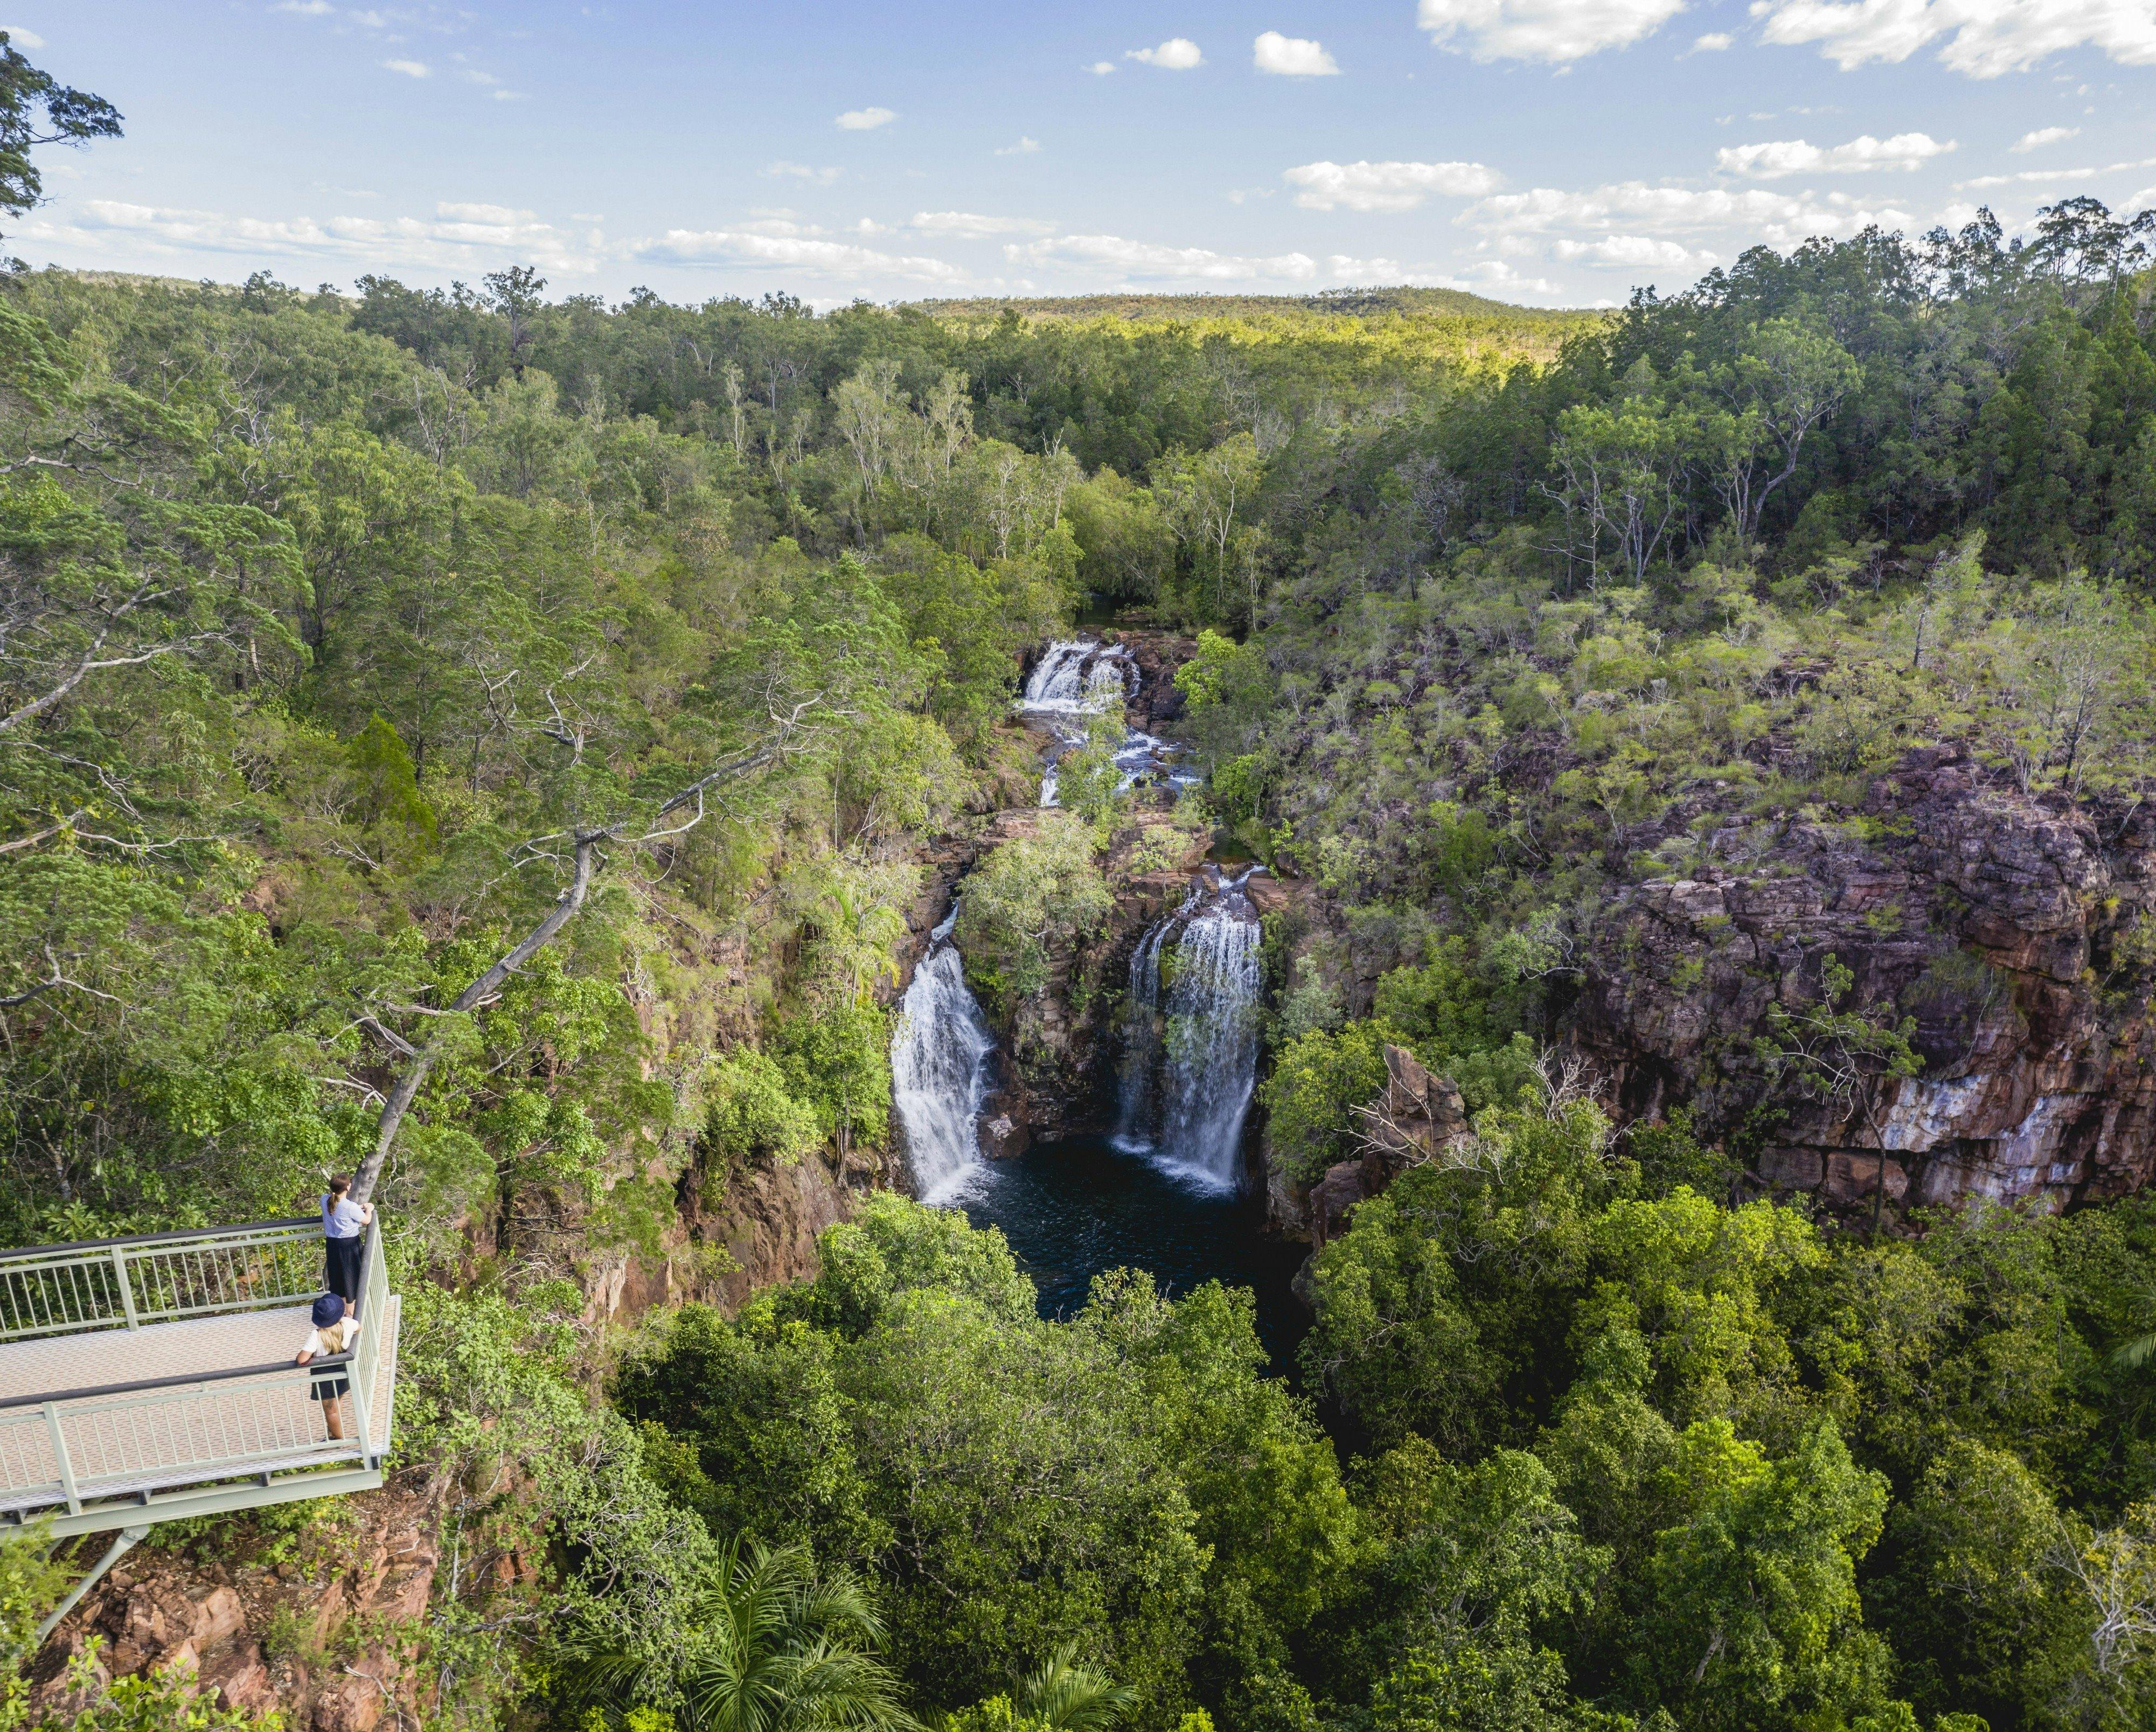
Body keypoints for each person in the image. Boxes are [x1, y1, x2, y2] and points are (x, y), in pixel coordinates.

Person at [296, 1291, 361, 1440]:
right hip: (343, 1367)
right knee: (338, 1400)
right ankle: (334, 1431)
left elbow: (302, 1360)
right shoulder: (347, 1324)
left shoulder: (316, 1335)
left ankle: (338, 1437)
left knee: (330, 1410)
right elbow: (359, 1328)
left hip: (324, 1374)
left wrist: (311, 1357)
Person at [321, 1175, 372, 1304]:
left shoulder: (324, 1200)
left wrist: (358, 1207)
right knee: (352, 1278)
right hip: (349, 1246)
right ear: (348, 1187)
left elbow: (338, 1207)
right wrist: (369, 1209)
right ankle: (351, 1311)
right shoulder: (350, 1207)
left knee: (338, 1278)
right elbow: (366, 1221)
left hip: (332, 1245)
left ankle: (342, 1308)